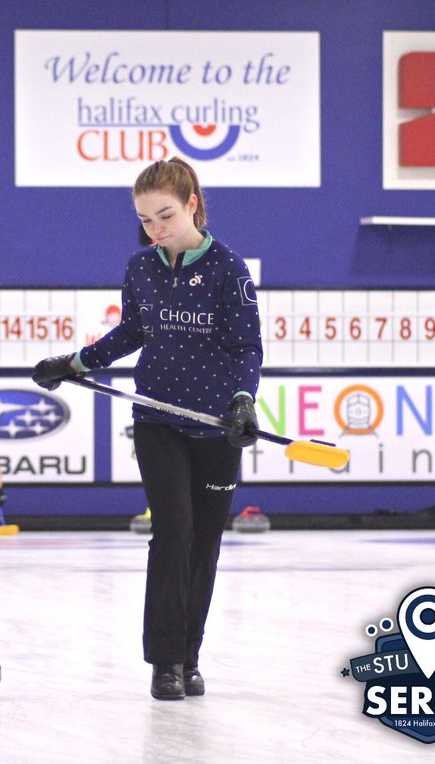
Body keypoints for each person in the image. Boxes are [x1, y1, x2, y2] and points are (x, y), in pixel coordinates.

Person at [32, 157, 262, 701]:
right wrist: (76, 363)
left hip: (215, 428)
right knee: (174, 533)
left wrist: (243, 401)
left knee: (204, 543)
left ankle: (190, 656)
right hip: (157, 418)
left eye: (166, 215)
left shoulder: (230, 269)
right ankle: (164, 662)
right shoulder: (142, 268)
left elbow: (246, 348)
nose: (157, 229)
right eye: (146, 220)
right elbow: (132, 331)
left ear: (193, 205)